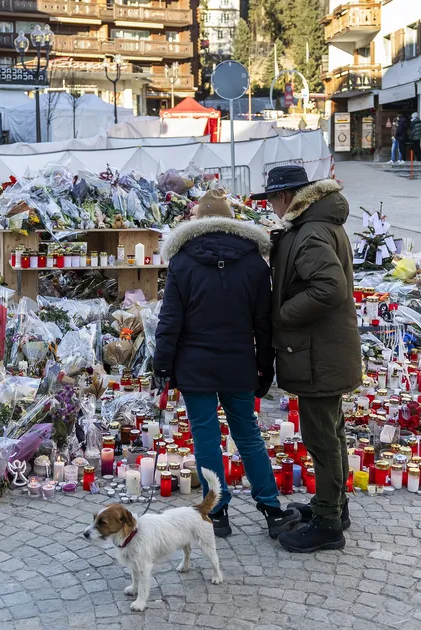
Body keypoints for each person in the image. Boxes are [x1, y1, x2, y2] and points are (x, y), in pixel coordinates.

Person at [153, 188, 302, 539]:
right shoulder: (253, 261)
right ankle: (270, 508)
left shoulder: (183, 260)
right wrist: (265, 367)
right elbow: (263, 323)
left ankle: (216, 513)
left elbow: (170, 320)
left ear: (198, 222)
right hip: (238, 363)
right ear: (231, 221)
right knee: (248, 435)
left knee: (205, 436)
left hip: (195, 365)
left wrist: (162, 367)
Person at [252, 166, 362, 553]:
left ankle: (329, 524)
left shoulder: (312, 231)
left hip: (319, 353)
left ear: (287, 197)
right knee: (331, 433)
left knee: (322, 439)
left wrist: (282, 314)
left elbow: (330, 288)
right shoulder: (314, 225)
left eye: (271, 199)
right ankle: (332, 507)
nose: (270, 206)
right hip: (323, 350)